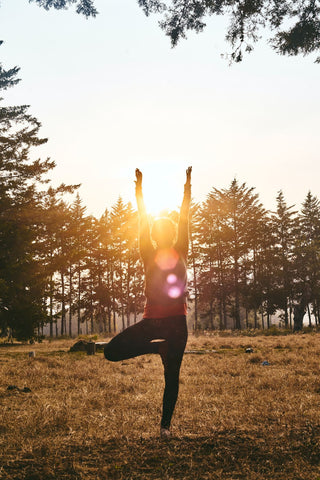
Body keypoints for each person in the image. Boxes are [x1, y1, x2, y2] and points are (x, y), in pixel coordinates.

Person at [104, 166, 192, 438]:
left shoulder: (159, 250)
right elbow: (182, 219)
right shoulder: (169, 250)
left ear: (155, 235)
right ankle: (165, 427)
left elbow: (148, 220)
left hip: (159, 323)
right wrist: (186, 186)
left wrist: (140, 190)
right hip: (169, 324)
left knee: (112, 352)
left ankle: (165, 426)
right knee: (171, 377)